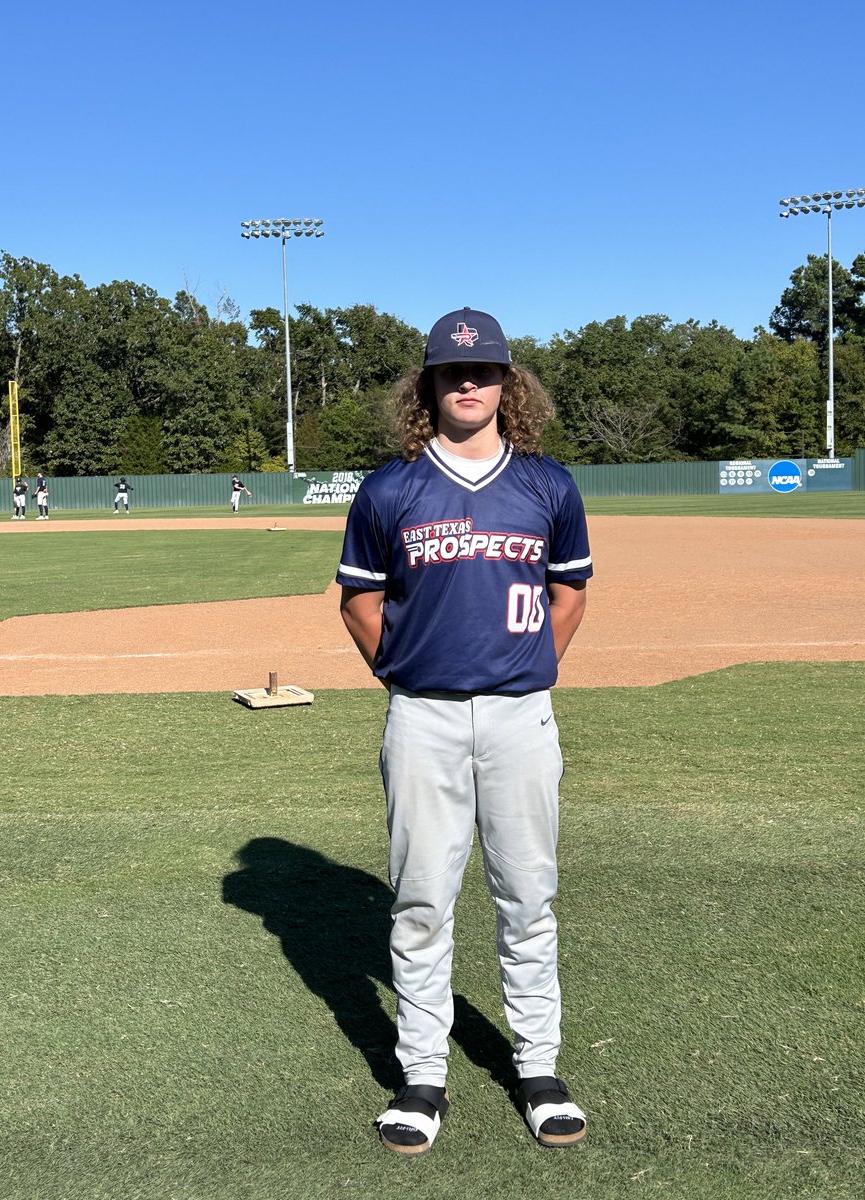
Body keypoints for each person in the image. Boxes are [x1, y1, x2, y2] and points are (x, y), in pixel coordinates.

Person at [336, 307, 593, 1156]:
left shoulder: (548, 484)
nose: (469, 383)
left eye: (482, 372)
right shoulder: (390, 488)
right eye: (452, 373)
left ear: (508, 383)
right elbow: (359, 600)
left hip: (522, 717)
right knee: (421, 901)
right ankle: (421, 1075)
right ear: (431, 386)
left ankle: (539, 1067)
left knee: (528, 897)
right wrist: (405, 677)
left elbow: (570, 593)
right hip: (424, 720)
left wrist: (527, 669)